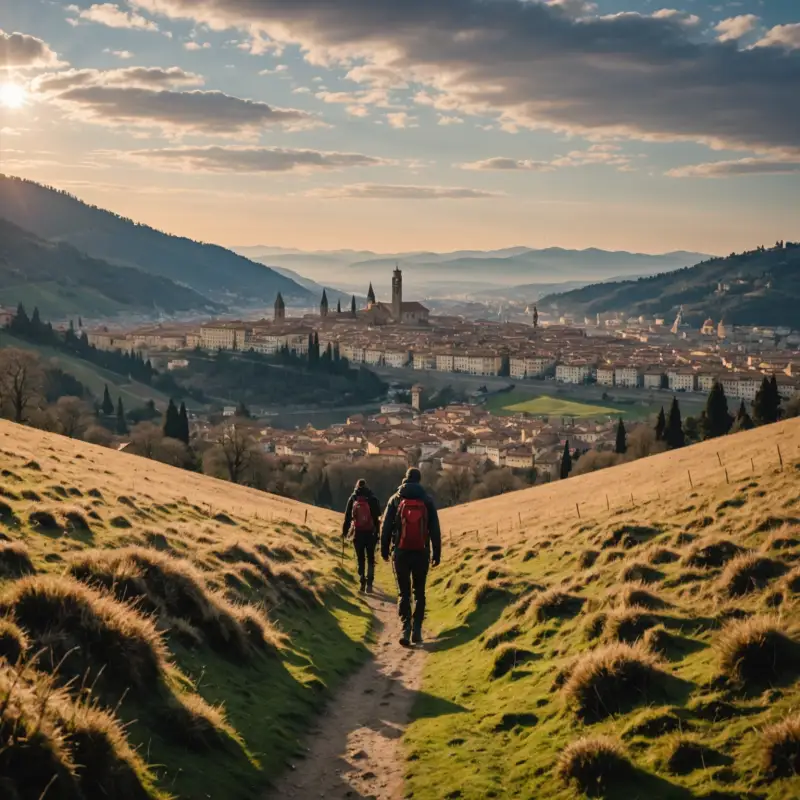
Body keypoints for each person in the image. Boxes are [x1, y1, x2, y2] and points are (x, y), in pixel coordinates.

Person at [381, 467, 441, 646]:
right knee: (419, 592)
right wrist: (436, 553)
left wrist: (384, 549)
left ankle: (405, 629)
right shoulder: (427, 500)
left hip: (401, 552)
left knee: (404, 592)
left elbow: (385, 527)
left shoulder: (395, 499)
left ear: (405, 479)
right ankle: (417, 630)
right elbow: (435, 530)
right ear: (419, 480)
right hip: (421, 552)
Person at [342, 478, 381, 593]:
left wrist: (345, 532)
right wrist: (378, 533)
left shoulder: (353, 498)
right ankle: (370, 584)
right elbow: (377, 516)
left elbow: (347, 517)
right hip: (371, 533)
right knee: (370, 558)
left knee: (360, 558)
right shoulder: (373, 498)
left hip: (358, 533)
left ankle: (362, 582)